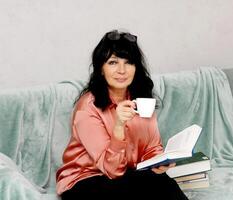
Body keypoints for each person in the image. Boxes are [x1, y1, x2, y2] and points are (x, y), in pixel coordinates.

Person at [56, 29, 188, 200]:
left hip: (126, 174)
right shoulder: (87, 107)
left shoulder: (141, 101)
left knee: (164, 183)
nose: (122, 70)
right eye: (112, 62)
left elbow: (152, 148)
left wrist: (159, 162)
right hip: (85, 178)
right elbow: (112, 170)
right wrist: (119, 126)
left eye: (129, 63)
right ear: (101, 69)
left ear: (136, 68)